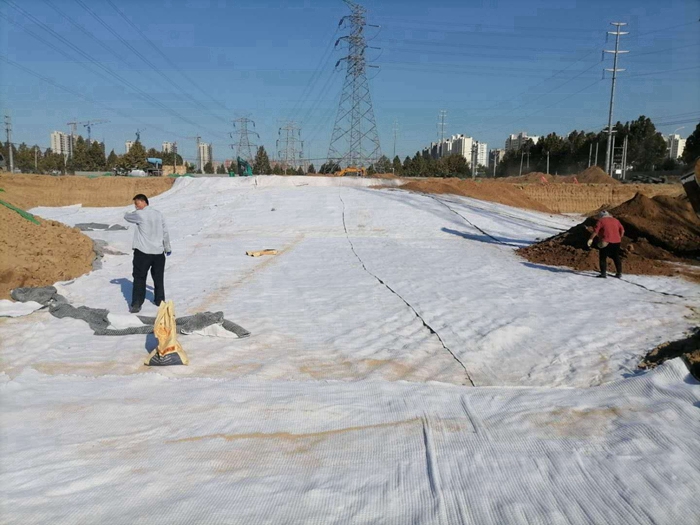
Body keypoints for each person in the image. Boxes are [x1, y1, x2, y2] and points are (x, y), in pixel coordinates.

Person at [124, 194, 171, 313]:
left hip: (143, 252)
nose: (136, 206)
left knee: (139, 278)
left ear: (143, 201)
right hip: (159, 253)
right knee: (158, 278)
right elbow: (165, 231)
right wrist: (167, 247)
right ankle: (160, 300)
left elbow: (127, 217)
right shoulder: (158, 214)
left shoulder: (139, 214)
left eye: (137, 203)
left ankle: (136, 303)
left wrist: (132, 211)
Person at [587, 210, 624, 279]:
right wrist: (619, 237)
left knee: (603, 257)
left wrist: (590, 239)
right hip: (617, 242)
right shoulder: (616, 220)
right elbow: (622, 230)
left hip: (605, 242)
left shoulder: (601, 221)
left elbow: (595, 232)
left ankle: (603, 274)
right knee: (616, 257)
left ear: (600, 216)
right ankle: (619, 273)